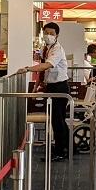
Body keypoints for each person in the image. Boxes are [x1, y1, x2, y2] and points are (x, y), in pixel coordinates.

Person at [31, 22, 70, 160]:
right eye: (46, 33)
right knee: (58, 119)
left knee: (58, 120)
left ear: (57, 35)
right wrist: (36, 87)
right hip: (52, 86)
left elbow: (47, 65)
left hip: (60, 87)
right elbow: (42, 72)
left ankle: (61, 151)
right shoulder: (46, 48)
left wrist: (28, 69)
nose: (48, 36)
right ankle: (67, 147)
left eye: (51, 33)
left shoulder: (57, 49)